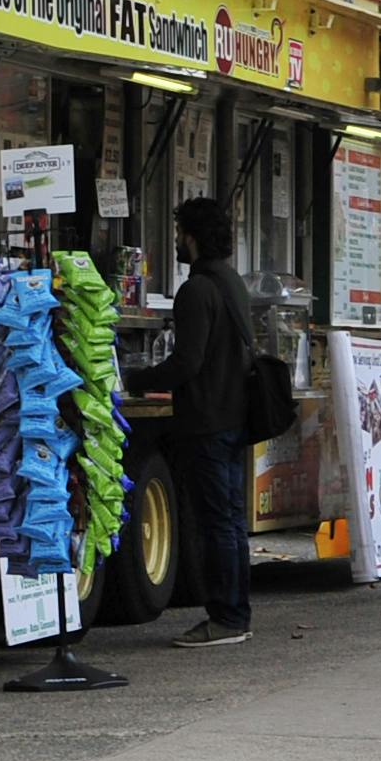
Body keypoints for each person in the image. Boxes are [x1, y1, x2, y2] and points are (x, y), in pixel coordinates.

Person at [129, 195, 253, 646]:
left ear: (192, 237)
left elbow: (187, 362)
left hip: (207, 421)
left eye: (180, 232)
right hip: (235, 417)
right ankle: (237, 613)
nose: (177, 241)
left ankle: (225, 619)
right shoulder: (231, 283)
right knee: (232, 521)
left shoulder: (196, 290)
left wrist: (136, 377)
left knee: (216, 522)